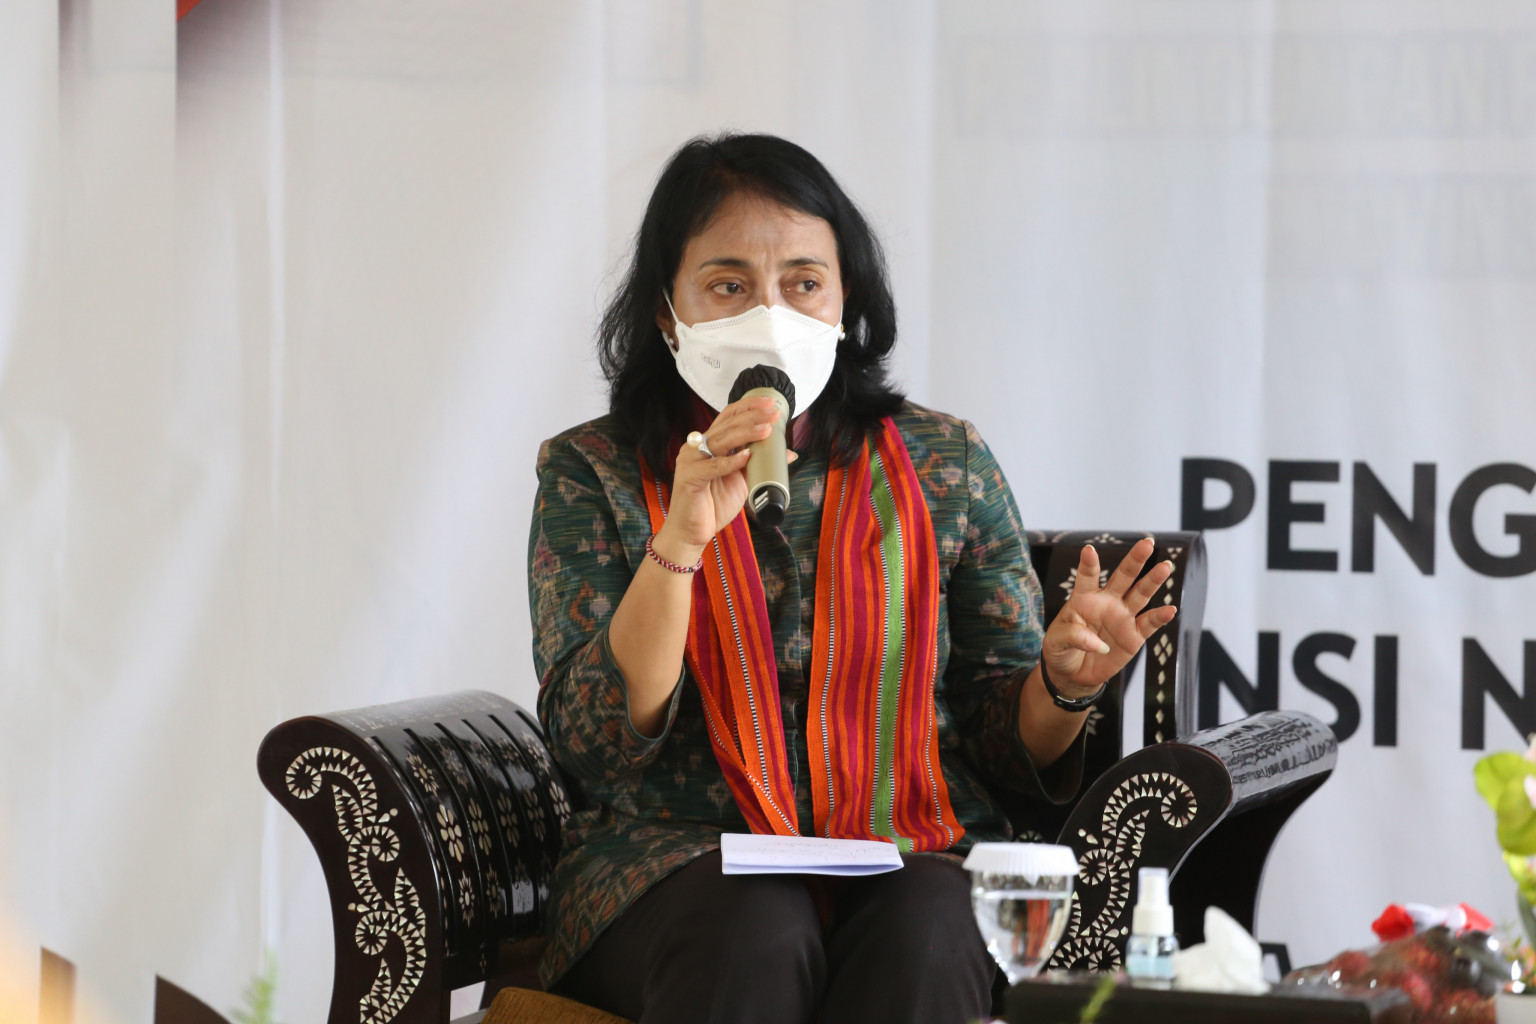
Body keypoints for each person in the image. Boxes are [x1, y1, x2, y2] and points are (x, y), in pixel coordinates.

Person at [527, 132, 1177, 1024]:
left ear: (844, 305)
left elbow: (1001, 741)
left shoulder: (945, 462)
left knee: (930, 927)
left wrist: (1063, 686)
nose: (770, 314)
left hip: (908, 852)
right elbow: (595, 743)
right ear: (668, 315)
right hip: (672, 865)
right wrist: (679, 541)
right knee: (754, 924)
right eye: (729, 286)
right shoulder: (591, 471)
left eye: (803, 283)